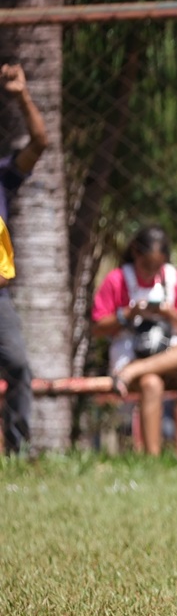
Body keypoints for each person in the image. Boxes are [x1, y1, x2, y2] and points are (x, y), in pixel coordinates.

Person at [91, 226, 177, 456]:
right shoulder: (117, 279)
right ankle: (152, 457)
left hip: (165, 353)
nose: (151, 272)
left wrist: (169, 314)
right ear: (136, 253)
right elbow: (97, 327)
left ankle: (135, 371)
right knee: (151, 383)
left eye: (157, 266)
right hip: (129, 350)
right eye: (147, 266)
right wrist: (128, 314)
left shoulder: (173, 278)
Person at [0, 63, 48, 455]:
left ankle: (17, 448)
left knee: (16, 364)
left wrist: (21, 96)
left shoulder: (3, 177)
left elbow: (39, 141)